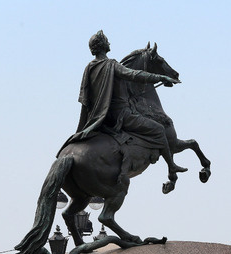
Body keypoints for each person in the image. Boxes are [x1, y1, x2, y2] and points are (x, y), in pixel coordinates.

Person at [61, 30, 185, 177]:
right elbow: (134, 74)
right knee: (159, 129)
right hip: (122, 115)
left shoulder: (89, 68)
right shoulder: (111, 65)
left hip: (102, 117)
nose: (109, 43)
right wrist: (160, 77)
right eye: (107, 41)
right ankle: (171, 167)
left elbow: (85, 97)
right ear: (102, 45)